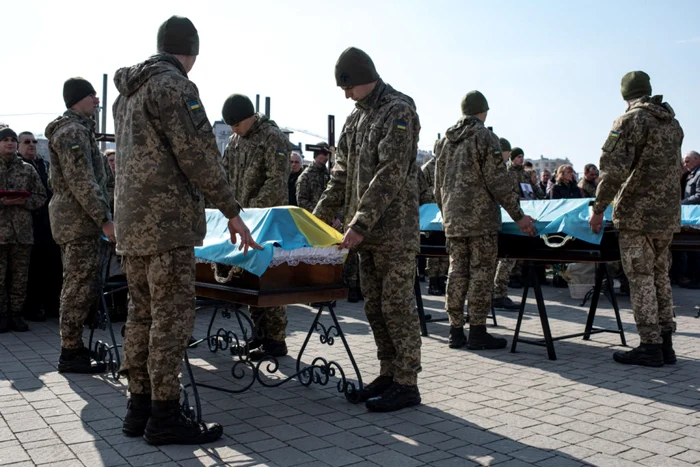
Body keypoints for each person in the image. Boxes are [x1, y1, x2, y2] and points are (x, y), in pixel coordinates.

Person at [113, 16, 260, 445]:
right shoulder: (175, 87)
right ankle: (165, 415)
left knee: (139, 317)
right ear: (190, 53)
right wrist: (231, 210)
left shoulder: (127, 94)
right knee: (171, 321)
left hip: (133, 227)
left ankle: (137, 408)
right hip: (168, 227)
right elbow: (199, 155)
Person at [314, 47, 422, 412]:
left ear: (362, 78)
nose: (345, 95)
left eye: (348, 87)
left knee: (396, 306)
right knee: (375, 307)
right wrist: (315, 217)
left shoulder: (398, 109)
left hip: (394, 231)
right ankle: (388, 373)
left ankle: (407, 382)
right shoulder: (355, 119)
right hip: (367, 235)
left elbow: (390, 173)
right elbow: (340, 175)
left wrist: (358, 223)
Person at [590, 70, 684, 367]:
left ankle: (649, 345)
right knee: (660, 276)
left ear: (624, 94)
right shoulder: (672, 122)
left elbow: (613, 170)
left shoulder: (630, 120)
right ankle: (666, 342)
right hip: (666, 214)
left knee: (640, 278)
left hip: (637, 215)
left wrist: (599, 207)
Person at [435, 91, 536, 351]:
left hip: (454, 221)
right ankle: (478, 331)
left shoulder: (446, 141)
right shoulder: (485, 136)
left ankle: (455, 331)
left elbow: (438, 186)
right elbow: (498, 181)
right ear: (484, 112)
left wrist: (447, 214)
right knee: (481, 273)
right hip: (481, 221)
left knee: (456, 273)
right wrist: (519, 216)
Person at [45, 78, 113, 374]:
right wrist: (104, 219)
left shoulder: (80, 130)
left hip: (80, 220)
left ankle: (73, 347)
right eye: (91, 95)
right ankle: (70, 351)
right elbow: (82, 181)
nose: (97, 100)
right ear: (77, 100)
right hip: (78, 221)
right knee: (77, 286)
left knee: (82, 284)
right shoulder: (72, 131)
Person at [221, 93, 291, 361]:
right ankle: (258, 335)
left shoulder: (272, 137)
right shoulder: (235, 140)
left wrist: (251, 211)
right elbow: (225, 174)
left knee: (269, 279)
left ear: (249, 117)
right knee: (250, 278)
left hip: (266, 220)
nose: (233, 130)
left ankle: (275, 339)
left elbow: (277, 180)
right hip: (242, 221)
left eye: (237, 124)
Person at [0, 127, 46, 333]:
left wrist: (22, 202)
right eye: (5, 140)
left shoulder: (27, 169)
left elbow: (41, 196)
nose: (9, 143)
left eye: (12, 140)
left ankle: (17, 314)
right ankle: (2, 315)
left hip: (22, 233)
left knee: (20, 277)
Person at [17, 131, 62, 321]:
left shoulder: (45, 166)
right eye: (26, 142)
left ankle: (52, 305)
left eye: (34, 141)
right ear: (19, 145)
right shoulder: (18, 167)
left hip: (48, 223)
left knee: (52, 265)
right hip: (25, 224)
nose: (31, 145)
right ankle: (31, 307)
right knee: (31, 269)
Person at [421, 139, 449, 296]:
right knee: (434, 250)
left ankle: (441, 278)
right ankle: (432, 280)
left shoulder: (447, 166)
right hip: (432, 212)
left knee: (445, 248)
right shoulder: (427, 169)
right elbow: (422, 192)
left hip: (445, 211)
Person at [296, 142, 330, 212]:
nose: (326, 157)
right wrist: (318, 212)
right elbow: (301, 200)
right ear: (316, 154)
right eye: (324, 154)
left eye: (327, 154)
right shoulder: (306, 176)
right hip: (311, 218)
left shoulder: (328, 175)